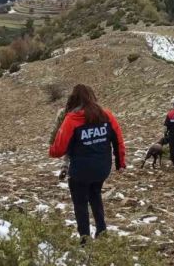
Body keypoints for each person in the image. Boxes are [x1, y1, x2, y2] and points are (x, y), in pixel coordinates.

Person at [49, 84, 126, 243]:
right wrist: (120, 163)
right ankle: (102, 231)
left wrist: (53, 150)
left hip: (80, 172)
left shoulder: (72, 119)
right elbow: (118, 140)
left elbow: (58, 149)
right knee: (95, 194)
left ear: (74, 99)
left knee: (80, 203)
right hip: (102, 168)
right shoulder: (107, 115)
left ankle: (84, 239)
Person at [49, 107, 70, 180]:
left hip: (65, 134)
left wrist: (51, 141)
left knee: (68, 151)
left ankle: (65, 167)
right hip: (79, 135)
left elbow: (56, 127)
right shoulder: (86, 111)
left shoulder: (63, 112)